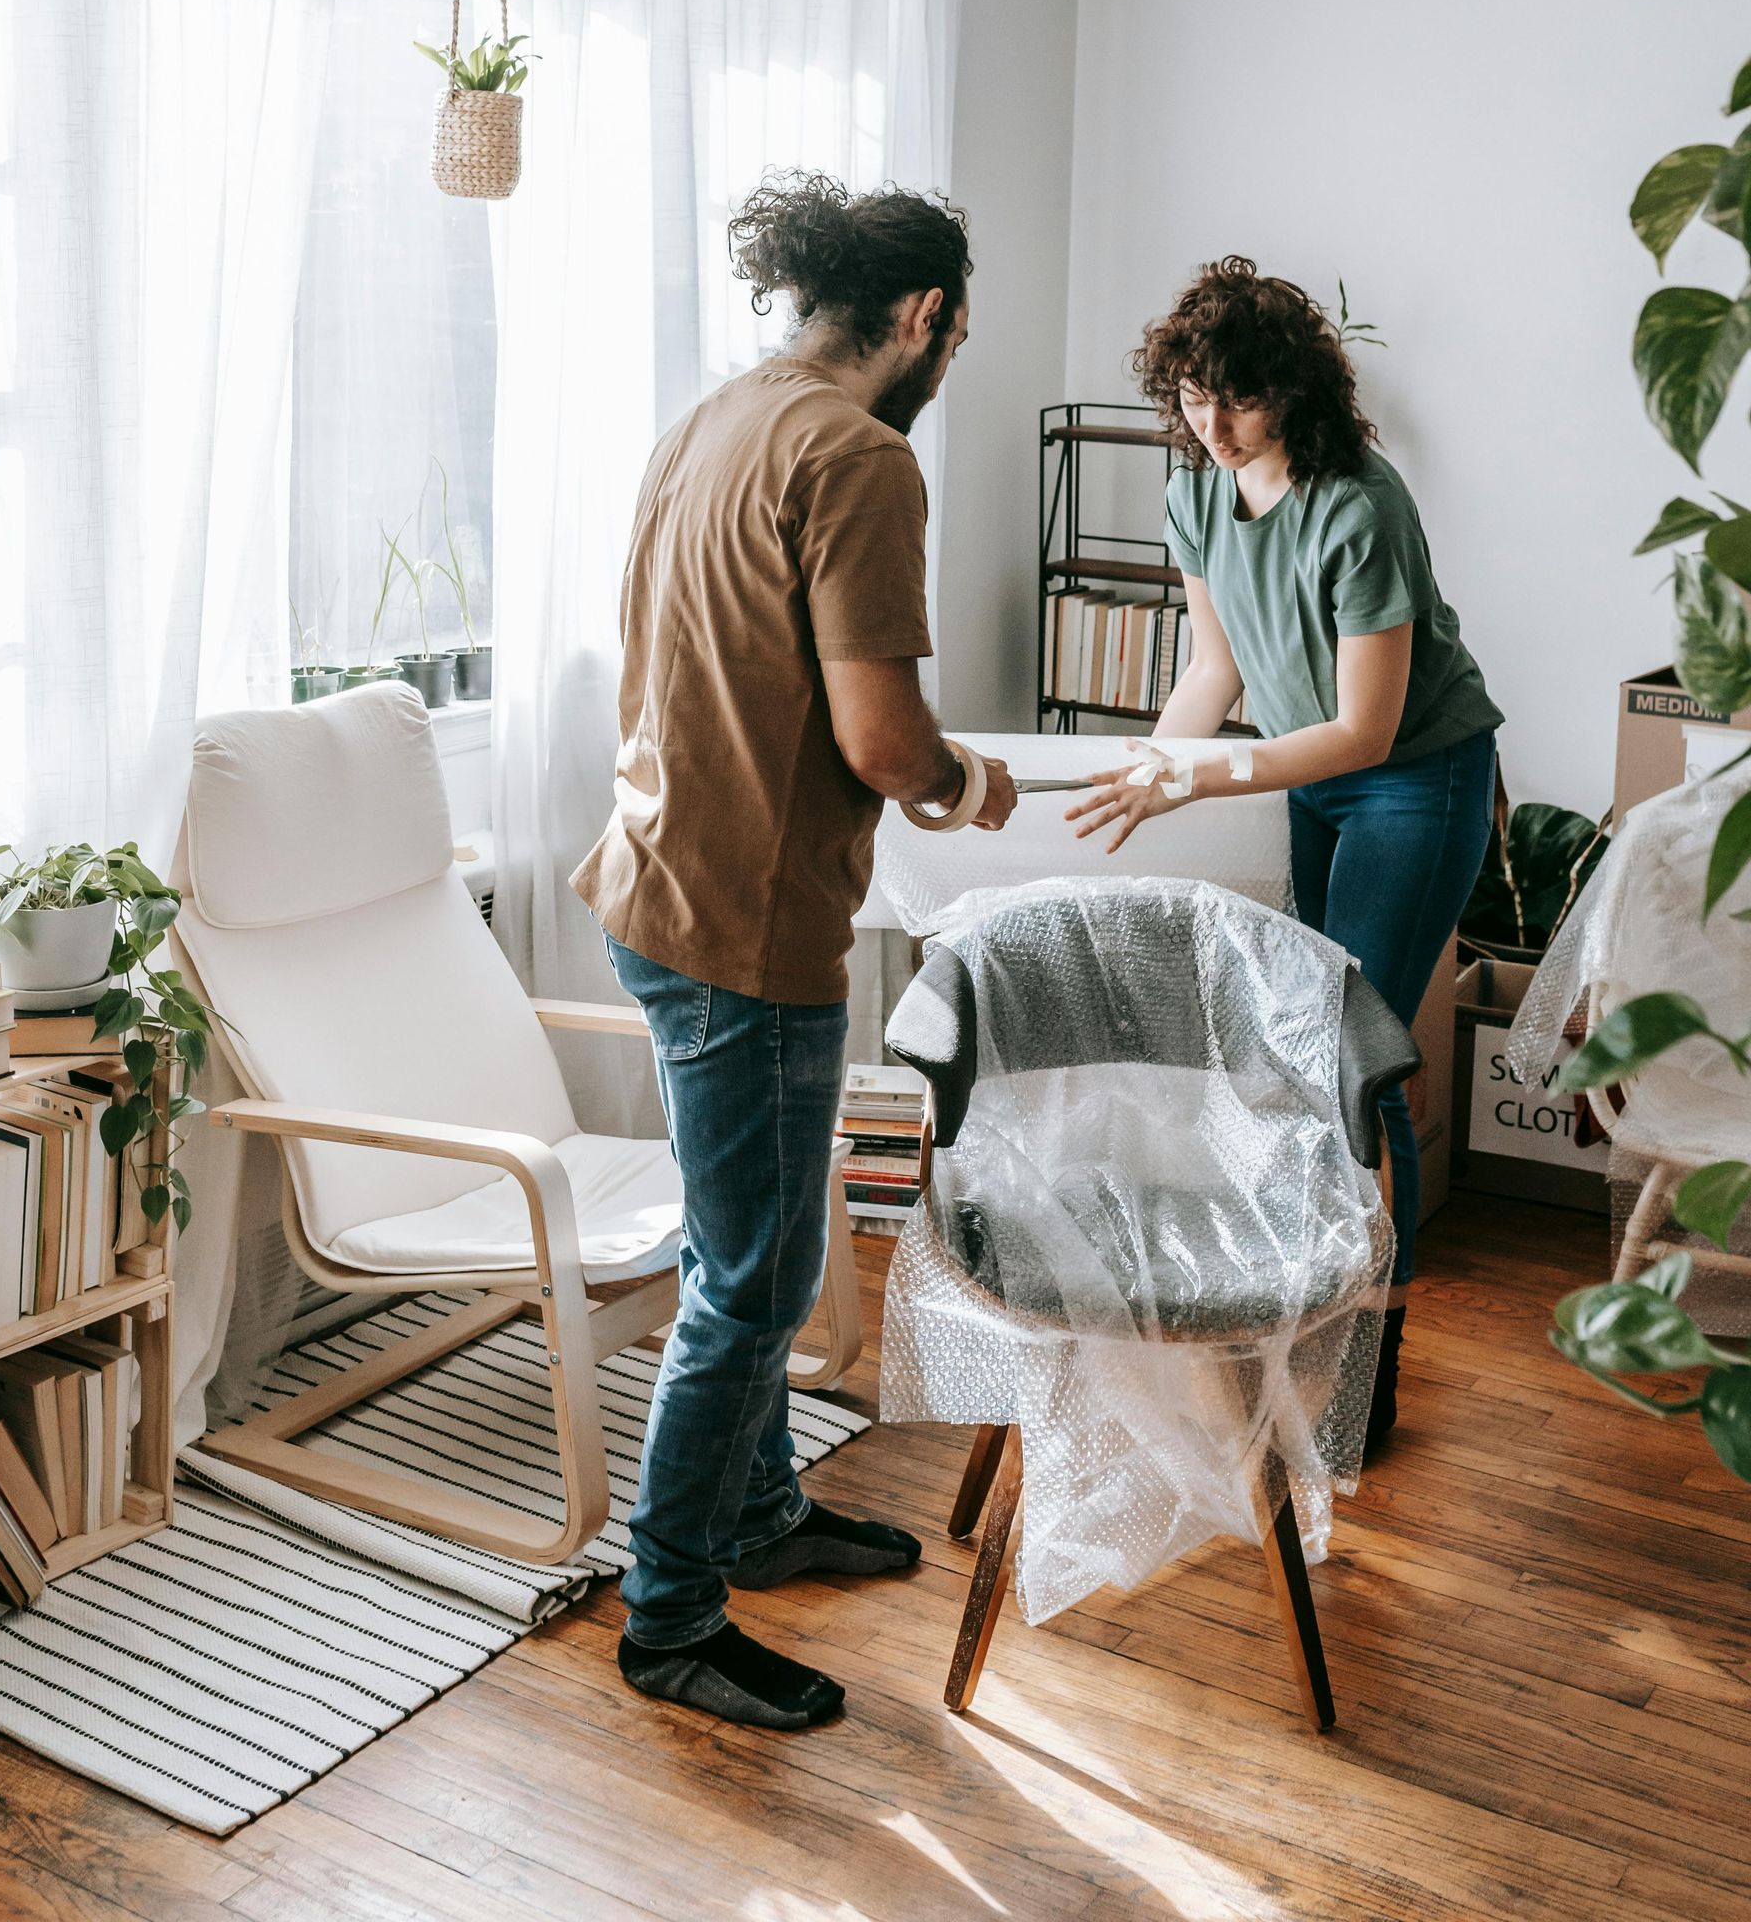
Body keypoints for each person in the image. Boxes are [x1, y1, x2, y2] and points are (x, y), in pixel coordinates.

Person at [572, 171, 1018, 1731]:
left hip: (653, 883)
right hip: (745, 921)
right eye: (958, 327)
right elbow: (886, 740)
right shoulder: (862, 455)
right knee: (754, 1284)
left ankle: (757, 1521)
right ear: (922, 318)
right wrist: (973, 786)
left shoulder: (713, 420)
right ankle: (671, 1616)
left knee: (739, 1245)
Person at [1067, 257, 1500, 1444]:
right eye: (1195, 396)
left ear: (1294, 393)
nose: (1213, 422)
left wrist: (1202, 773)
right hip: (1309, 782)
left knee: (1354, 1062)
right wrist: (1148, 773)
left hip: (1416, 778)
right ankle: (1306, 1329)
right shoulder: (1196, 497)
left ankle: (1369, 1373)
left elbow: (1366, 726)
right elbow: (1216, 672)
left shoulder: (1362, 505)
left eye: (1240, 398)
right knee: (1301, 1057)